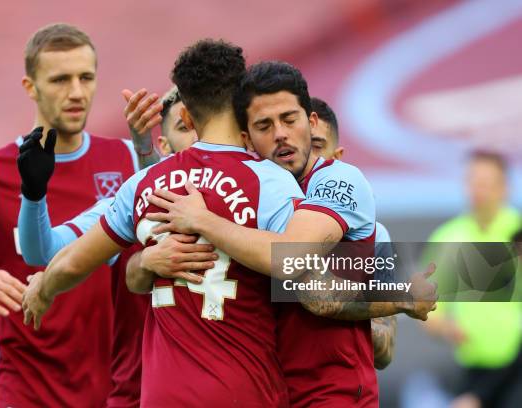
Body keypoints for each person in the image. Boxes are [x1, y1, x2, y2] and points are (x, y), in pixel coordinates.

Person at [22, 39, 306, 407]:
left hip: (163, 396)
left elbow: (72, 262)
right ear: (241, 106)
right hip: (244, 391)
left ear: (186, 117)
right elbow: (302, 264)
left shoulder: (142, 184)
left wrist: (43, 290)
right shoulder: (268, 181)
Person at [142, 61, 437, 407]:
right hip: (262, 392)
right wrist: (146, 260)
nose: (280, 133)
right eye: (265, 125)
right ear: (245, 138)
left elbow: (311, 285)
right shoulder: (247, 199)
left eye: (289, 119)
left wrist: (397, 297)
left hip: (329, 397)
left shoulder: (339, 182)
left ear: (310, 124)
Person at [0, 23, 142, 407]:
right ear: (30, 87)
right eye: (60, 79)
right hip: (28, 394)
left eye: (86, 77)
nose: (76, 92)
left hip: (118, 393)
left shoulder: (129, 160)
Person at [423, 151, 522, 408]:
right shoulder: (448, 238)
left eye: (486, 183)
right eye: (473, 182)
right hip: (472, 368)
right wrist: (445, 326)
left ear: (504, 188)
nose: (478, 191)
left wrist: (479, 395)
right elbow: (427, 308)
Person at [310, 96, 397, 370]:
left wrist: (351, 311)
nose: (308, 159)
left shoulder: (375, 237)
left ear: (337, 159)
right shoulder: (264, 225)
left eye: (316, 147)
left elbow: (386, 350)